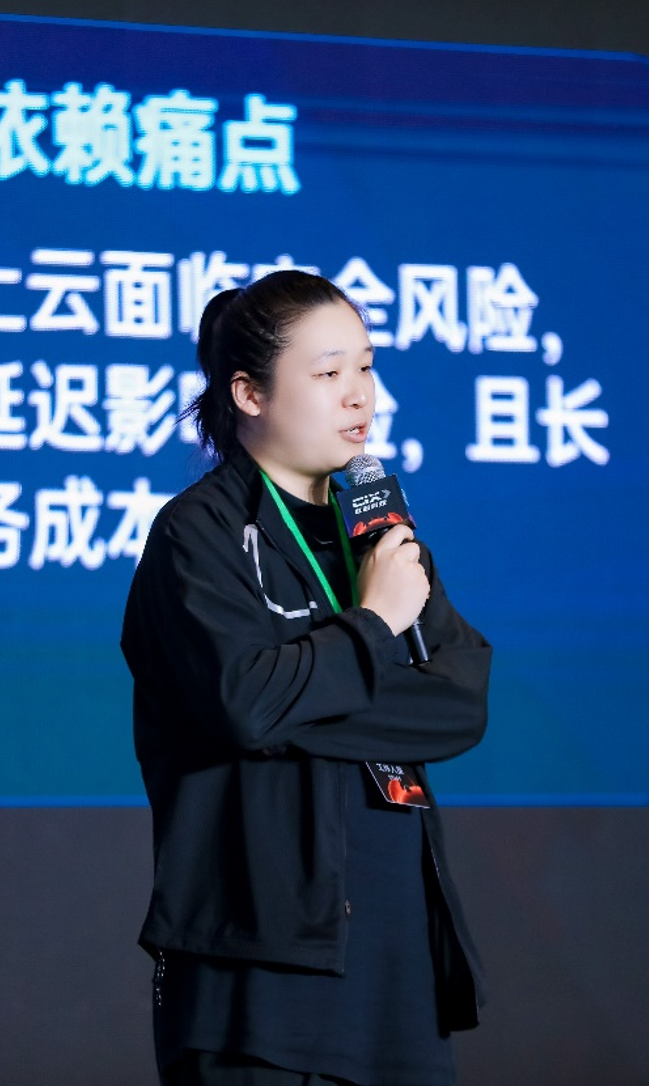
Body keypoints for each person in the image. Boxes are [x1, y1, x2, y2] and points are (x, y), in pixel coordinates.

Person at [120, 270, 492, 1086]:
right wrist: (372, 628)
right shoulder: (197, 534)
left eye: (366, 366)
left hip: (398, 977)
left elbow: (460, 701)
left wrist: (299, 695)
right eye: (328, 373)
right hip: (260, 978)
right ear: (249, 393)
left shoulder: (378, 531)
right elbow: (245, 702)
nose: (359, 394)